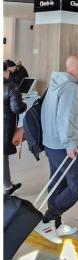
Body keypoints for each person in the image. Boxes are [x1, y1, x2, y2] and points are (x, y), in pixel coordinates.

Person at [35, 55, 78, 244]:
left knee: (58, 182)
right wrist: (70, 143)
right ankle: (47, 220)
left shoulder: (55, 84)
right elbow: (66, 117)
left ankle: (55, 225)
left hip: (52, 143)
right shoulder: (70, 87)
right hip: (64, 144)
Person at [4, 61, 26, 195]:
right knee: (3, 156)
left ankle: (7, 184)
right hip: (5, 125)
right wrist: (24, 105)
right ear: (6, 71)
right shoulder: (11, 87)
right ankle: (7, 186)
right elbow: (16, 108)